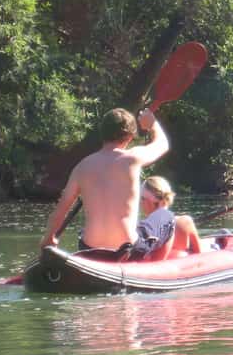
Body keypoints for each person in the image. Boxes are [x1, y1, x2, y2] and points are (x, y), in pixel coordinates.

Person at [39, 107, 169, 253]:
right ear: (130, 137)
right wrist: (152, 124)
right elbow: (163, 145)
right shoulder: (133, 158)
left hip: (89, 248)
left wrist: (49, 238)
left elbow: (60, 212)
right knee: (166, 216)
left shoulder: (81, 167)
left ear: (102, 134)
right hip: (126, 249)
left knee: (87, 230)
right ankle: (159, 266)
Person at [135, 175, 208, 260]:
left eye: (142, 199)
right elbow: (200, 256)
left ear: (153, 201)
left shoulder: (144, 230)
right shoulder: (185, 221)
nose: (140, 203)